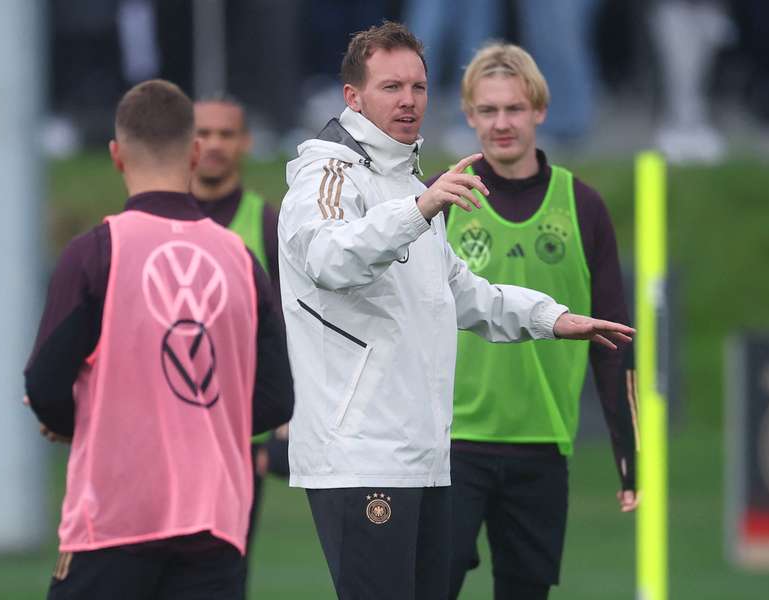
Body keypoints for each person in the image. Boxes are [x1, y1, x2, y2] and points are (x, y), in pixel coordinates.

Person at [277, 21, 635, 599]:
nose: (409, 101)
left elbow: (463, 293)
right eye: (391, 87)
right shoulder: (328, 173)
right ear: (353, 98)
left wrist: (552, 318)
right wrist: (419, 209)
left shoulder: (405, 181)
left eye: (418, 87)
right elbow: (328, 257)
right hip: (362, 454)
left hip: (422, 453)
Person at [23, 79, 294, 600]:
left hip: (112, 522)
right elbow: (277, 398)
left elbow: (44, 383)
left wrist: (78, 424)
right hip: (214, 523)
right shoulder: (241, 258)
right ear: (195, 153)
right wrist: (202, 421)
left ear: (116, 155)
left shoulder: (95, 253)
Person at [425, 43, 639, 600]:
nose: (501, 123)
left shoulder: (582, 205)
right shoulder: (441, 204)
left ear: (539, 110)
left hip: (543, 443)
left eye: (514, 109)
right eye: (488, 110)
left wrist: (628, 452)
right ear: (469, 116)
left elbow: (613, 336)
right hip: (452, 442)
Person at [190, 93, 290, 596]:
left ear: (245, 143)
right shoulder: (154, 221)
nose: (213, 145)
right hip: (169, 434)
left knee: (226, 573)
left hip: (238, 438)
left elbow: (290, 329)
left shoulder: (268, 226)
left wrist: (286, 419)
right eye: (202, 133)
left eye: (226, 134)